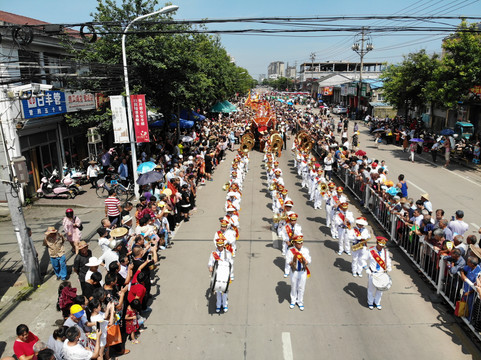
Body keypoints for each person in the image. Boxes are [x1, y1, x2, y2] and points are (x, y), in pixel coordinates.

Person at [363, 236, 392, 310]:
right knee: (371, 289)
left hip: (382, 273)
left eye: (383, 245)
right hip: (373, 273)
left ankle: (377, 302)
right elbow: (362, 260)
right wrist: (366, 268)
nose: (381, 247)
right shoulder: (370, 251)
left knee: (380, 289)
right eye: (380, 245)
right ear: (377, 243)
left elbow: (387, 260)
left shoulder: (385, 252)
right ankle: (370, 302)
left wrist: (389, 266)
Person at [208, 238, 233, 313]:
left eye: (221, 246)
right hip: (217, 274)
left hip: (225, 274)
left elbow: (230, 264)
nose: (220, 248)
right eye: (218, 246)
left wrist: (230, 275)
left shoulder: (227, 253)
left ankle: (224, 304)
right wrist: (210, 267)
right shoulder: (214, 253)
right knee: (218, 290)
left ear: (223, 245)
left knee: (224, 290)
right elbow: (210, 262)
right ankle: (218, 305)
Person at [286, 235, 311, 311]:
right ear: (295, 243)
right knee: (294, 286)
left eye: (301, 243)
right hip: (294, 271)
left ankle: (300, 302)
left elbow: (309, 259)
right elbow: (287, 260)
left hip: (303, 271)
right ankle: (293, 301)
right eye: (298, 243)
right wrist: (291, 263)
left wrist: (307, 262)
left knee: (301, 287)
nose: (300, 244)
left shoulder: (305, 250)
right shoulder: (290, 250)